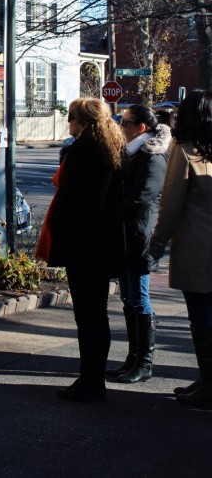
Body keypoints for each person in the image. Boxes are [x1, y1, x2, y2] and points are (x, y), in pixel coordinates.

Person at [38, 97, 125, 402]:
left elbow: (69, 203)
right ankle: (94, 378)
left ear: (84, 122)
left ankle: (90, 380)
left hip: (82, 245)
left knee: (86, 316)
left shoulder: (80, 151)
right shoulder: (114, 149)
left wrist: (58, 239)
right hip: (105, 243)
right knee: (97, 314)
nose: (68, 123)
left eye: (72, 118)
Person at [150, 89, 212, 408]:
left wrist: (157, 243)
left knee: (201, 317)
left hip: (197, 248)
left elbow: (171, 204)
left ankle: (209, 384)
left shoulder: (185, 149)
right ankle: (207, 380)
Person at [106, 104, 171, 384]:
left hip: (139, 237)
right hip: (126, 236)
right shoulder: (131, 154)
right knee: (127, 298)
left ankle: (145, 362)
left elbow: (142, 199)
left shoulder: (152, 158)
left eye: (125, 121)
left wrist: (112, 214)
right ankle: (133, 357)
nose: (121, 125)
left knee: (139, 299)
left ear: (141, 128)